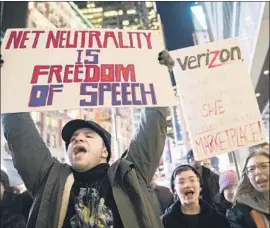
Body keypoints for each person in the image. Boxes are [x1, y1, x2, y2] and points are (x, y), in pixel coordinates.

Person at [1, 50, 172, 228]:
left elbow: (152, 127)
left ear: (105, 150)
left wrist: (159, 77)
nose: (78, 139)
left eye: (88, 135)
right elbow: (20, 134)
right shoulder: (50, 180)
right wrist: (7, 79)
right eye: (73, 138)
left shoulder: (129, 175)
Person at [161, 165, 230, 228]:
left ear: (200, 186)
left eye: (192, 180)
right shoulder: (165, 222)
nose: (187, 185)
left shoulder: (218, 219)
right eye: (181, 182)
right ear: (174, 190)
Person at [228, 150, 270, 228]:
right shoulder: (240, 211)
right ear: (247, 176)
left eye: (263, 166)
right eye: (251, 169)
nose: (257, 172)